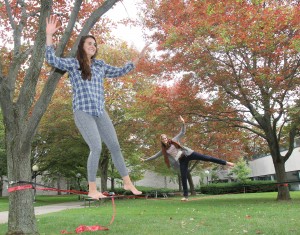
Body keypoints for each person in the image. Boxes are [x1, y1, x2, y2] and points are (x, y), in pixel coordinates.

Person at [45, 15, 148, 199]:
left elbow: (119, 71)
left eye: (95, 44)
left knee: (115, 146)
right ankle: (92, 188)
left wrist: (135, 61)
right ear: (82, 47)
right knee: (96, 147)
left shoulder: (100, 65)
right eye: (89, 43)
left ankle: (127, 181)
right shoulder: (74, 63)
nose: (93, 46)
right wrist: (49, 36)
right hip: (83, 111)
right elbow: (52, 59)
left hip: (100, 112)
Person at [141, 116, 235, 201]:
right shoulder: (163, 150)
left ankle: (226, 163)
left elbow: (182, 132)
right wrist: (144, 160)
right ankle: (185, 196)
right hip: (182, 160)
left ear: (167, 138)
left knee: (207, 158)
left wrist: (183, 122)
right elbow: (154, 156)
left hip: (188, 154)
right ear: (161, 141)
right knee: (183, 176)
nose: (165, 139)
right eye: (163, 139)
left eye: (165, 138)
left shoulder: (174, 140)